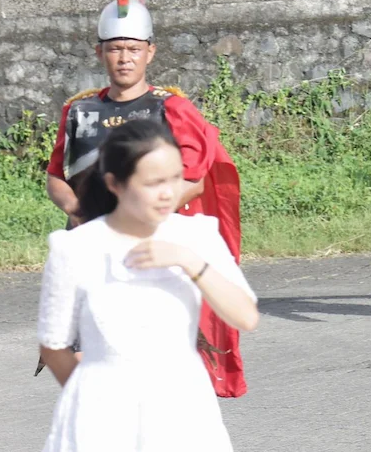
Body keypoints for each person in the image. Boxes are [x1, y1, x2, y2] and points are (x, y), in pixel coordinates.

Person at [42, 0, 247, 398]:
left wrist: (140, 216)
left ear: (149, 52)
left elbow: (195, 176)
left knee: (160, 364)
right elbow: (58, 174)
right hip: (93, 246)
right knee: (87, 354)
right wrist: (80, 209)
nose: (124, 58)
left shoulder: (171, 107)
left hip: (157, 248)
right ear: (100, 52)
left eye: (133, 49)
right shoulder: (79, 111)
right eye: (115, 49)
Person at [37, 119, 259, 451]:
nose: (168, 192)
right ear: (115, 184)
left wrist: (189, 260)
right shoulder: (77, 247)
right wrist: (91, 399)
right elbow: (53, 347)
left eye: (174, 178)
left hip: (184, 414)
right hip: (99, 419)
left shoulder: (196, 235)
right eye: (153, 182)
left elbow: (245, 316)